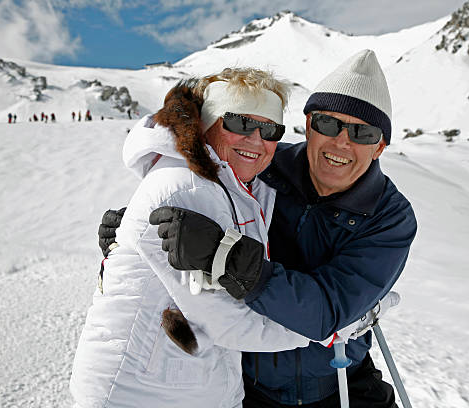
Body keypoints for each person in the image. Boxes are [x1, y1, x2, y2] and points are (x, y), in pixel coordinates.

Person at [126, 49, 417, 407]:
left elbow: (327, 311)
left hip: (337, 379)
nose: (342, 142)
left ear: (380, 147)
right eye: (328, 124)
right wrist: (142, 226)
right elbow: (206, 195)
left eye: (363, 132)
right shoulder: (265, 166)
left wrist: (227, 257)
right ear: (308, 126)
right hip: (249, 382)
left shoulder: (389, 216)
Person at [72, 68, 375, 408]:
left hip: (182, 382)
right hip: (139, 391)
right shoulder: (187, 188)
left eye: (270, 129)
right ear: (206, 124)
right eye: (241, 124)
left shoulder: (237, 184)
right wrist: (329, 326)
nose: (257, 139)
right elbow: (232, 323)